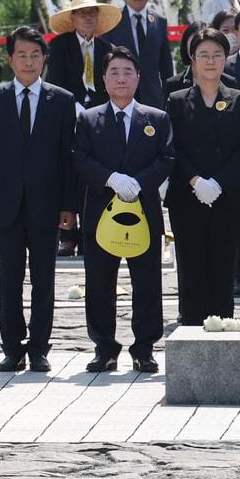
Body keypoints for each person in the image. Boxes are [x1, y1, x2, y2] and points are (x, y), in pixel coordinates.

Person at [0, 27, 77, 372]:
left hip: (47, 205)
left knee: (43, 279)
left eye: (35, 55)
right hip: (5, 204)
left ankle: (39, 348)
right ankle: (12, 347)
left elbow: (68, 158)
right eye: (22, 55)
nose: (29, 62)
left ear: (44, 60)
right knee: (9, 278)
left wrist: (68, 205)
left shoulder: (61, 101)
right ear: (10, 59)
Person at [73, 46, 175, 373]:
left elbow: (167, 158)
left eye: (127, 72)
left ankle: (144, 348)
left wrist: (139, 182)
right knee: (100, 283)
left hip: (143, 212)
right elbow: (80, 158)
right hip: (100, 213)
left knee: (146, 283)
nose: (121, 78)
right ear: (103, 79)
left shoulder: (156, 118)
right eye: (114, 72)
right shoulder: (89, 119)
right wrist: (111, 179)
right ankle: (104, 347)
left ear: (138, 77)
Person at [166, 28, 240, 326]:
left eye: (217, 55)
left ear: (226, 59)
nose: (210, 61)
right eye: (203, 55)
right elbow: (172, 149)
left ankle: (222, 329)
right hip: (187, 196)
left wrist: (218, 182)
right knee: (191, 266)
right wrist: (195, 180)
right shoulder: (176, 100)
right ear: (191, 59)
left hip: (227, 196)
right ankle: (190, 327)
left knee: (223, 266)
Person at [45, 0, 120, 256]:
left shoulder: (107, 48)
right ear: (73, 17)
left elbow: (109, 84)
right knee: (67, 172)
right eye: (83, 13)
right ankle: (67, 233)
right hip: (68, 113)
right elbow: (54, 82)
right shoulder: (59, 46)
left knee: (96, 171)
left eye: (92, 13)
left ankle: (94, 230)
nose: (88, 18)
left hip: (98, 116)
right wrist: (73, 106)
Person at [102, 0, 176, 106]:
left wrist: (168, 95)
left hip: (153, 97)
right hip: (121, 95)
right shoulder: (113, 21)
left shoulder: (159, 21)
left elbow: (166, 65)